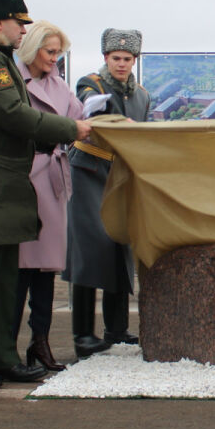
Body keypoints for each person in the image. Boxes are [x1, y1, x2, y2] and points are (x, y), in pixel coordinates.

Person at [0, 0, 94, 390]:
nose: (23, 30)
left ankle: (1, 357)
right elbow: (12, 114)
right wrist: (69, 130)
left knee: (4, 280)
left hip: (2, 184)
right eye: (18, 22)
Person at [65, 28, 151, 356]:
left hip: (120, 173)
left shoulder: (141, 94)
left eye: (127, 59)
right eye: (116, 58)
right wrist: (120, 123)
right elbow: (92, 111)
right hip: (88, 169)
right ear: (105, 58)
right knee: (88, 249)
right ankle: (82, 334)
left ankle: (116, 328)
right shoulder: (91, 84)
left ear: (135, 60)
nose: (121, 64)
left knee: (119, 246)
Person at [12, 21, 83, 372]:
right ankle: (7, 347)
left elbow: (82, 122)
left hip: (53, 179)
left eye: (59, 53)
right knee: (19, 271)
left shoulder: (59, 85)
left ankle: (40, 343)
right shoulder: (12, 81)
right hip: (25, 179)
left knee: (46, 270)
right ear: (32, 48)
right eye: (50, 51)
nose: (55, 59)